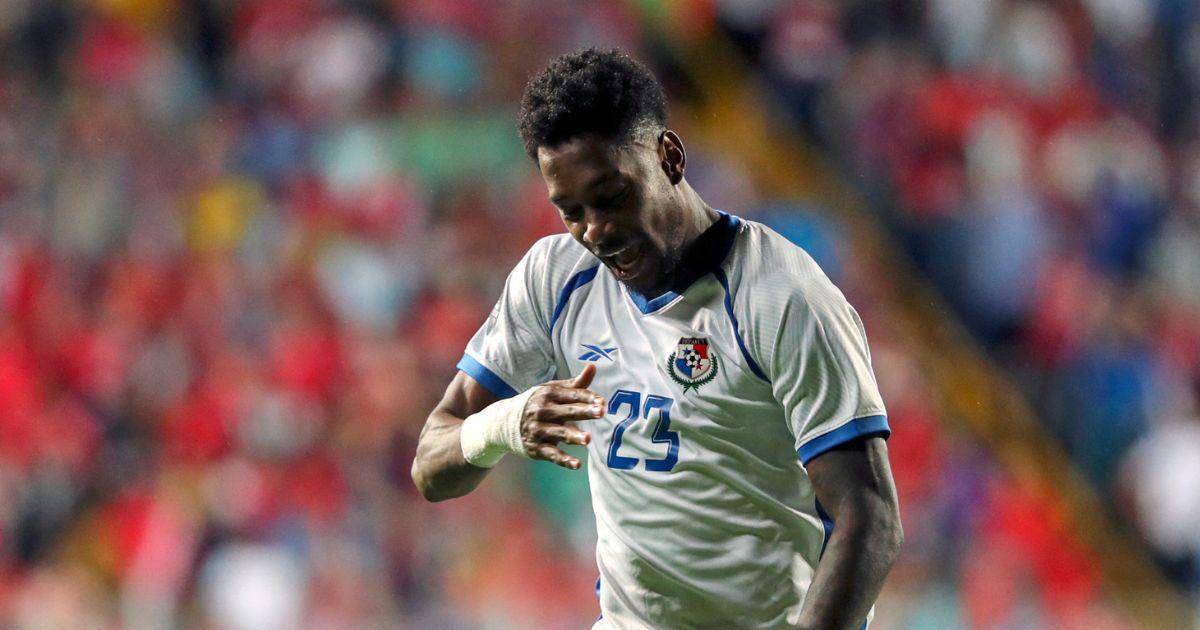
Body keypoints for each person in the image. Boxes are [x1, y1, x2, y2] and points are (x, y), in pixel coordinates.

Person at [411, 48, 902, 630]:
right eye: (571, 211)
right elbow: (431, 465)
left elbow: (870, 518)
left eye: (612, 196)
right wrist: (503, 424)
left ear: (669, 156)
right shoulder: (557, 277)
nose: (595, 230)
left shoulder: (781, 296)